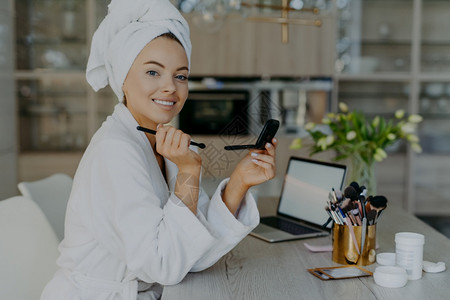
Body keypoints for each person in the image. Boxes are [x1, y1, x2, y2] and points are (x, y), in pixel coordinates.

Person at [40, 1, 277, 299]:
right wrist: (189, 172)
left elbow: (192, 248)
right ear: (123, 79)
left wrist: (240, 181)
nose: (170, 87)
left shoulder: (162, 141)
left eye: (181, 76)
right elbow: (164, 264)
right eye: (153, 72)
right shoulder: (115, 151)